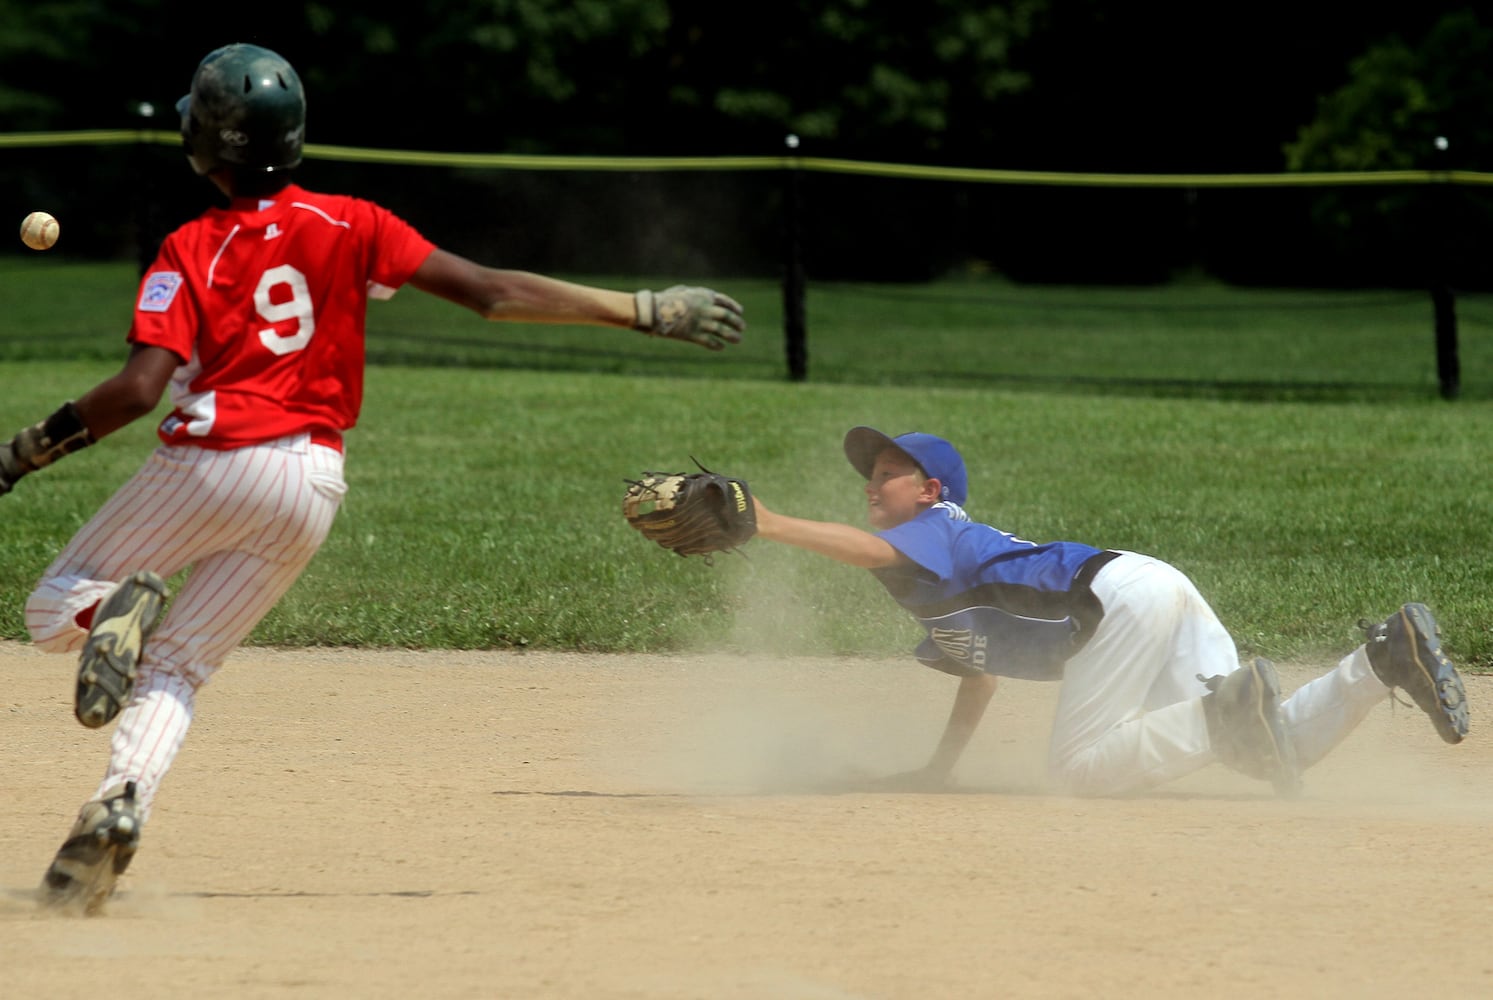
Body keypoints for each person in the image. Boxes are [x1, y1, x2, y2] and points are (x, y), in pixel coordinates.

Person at [0, 42, 745, 915]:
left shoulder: (190, 248)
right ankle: (119, 804)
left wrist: (24, 454)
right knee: (180, 668)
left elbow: (135, 389)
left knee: (53, 607)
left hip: (211, 459)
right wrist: (641, 310)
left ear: (202, 142)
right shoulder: (352, 222)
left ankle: (109, 615)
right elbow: (493, 291)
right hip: (310, 486)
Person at [750, 426, 1469, 797]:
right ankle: (1382, 660)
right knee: (1266, 743)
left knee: (1074, 773)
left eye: (886, 476)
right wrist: (939, 767)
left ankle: (1223, 710)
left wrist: (767, 522)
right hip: (1144, 586)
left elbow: (864, 550)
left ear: (930, 490)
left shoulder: (934, 534)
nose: (871, 487)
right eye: (868, 477)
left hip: (1111, 603)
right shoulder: (935, 577)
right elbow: (980, 677)